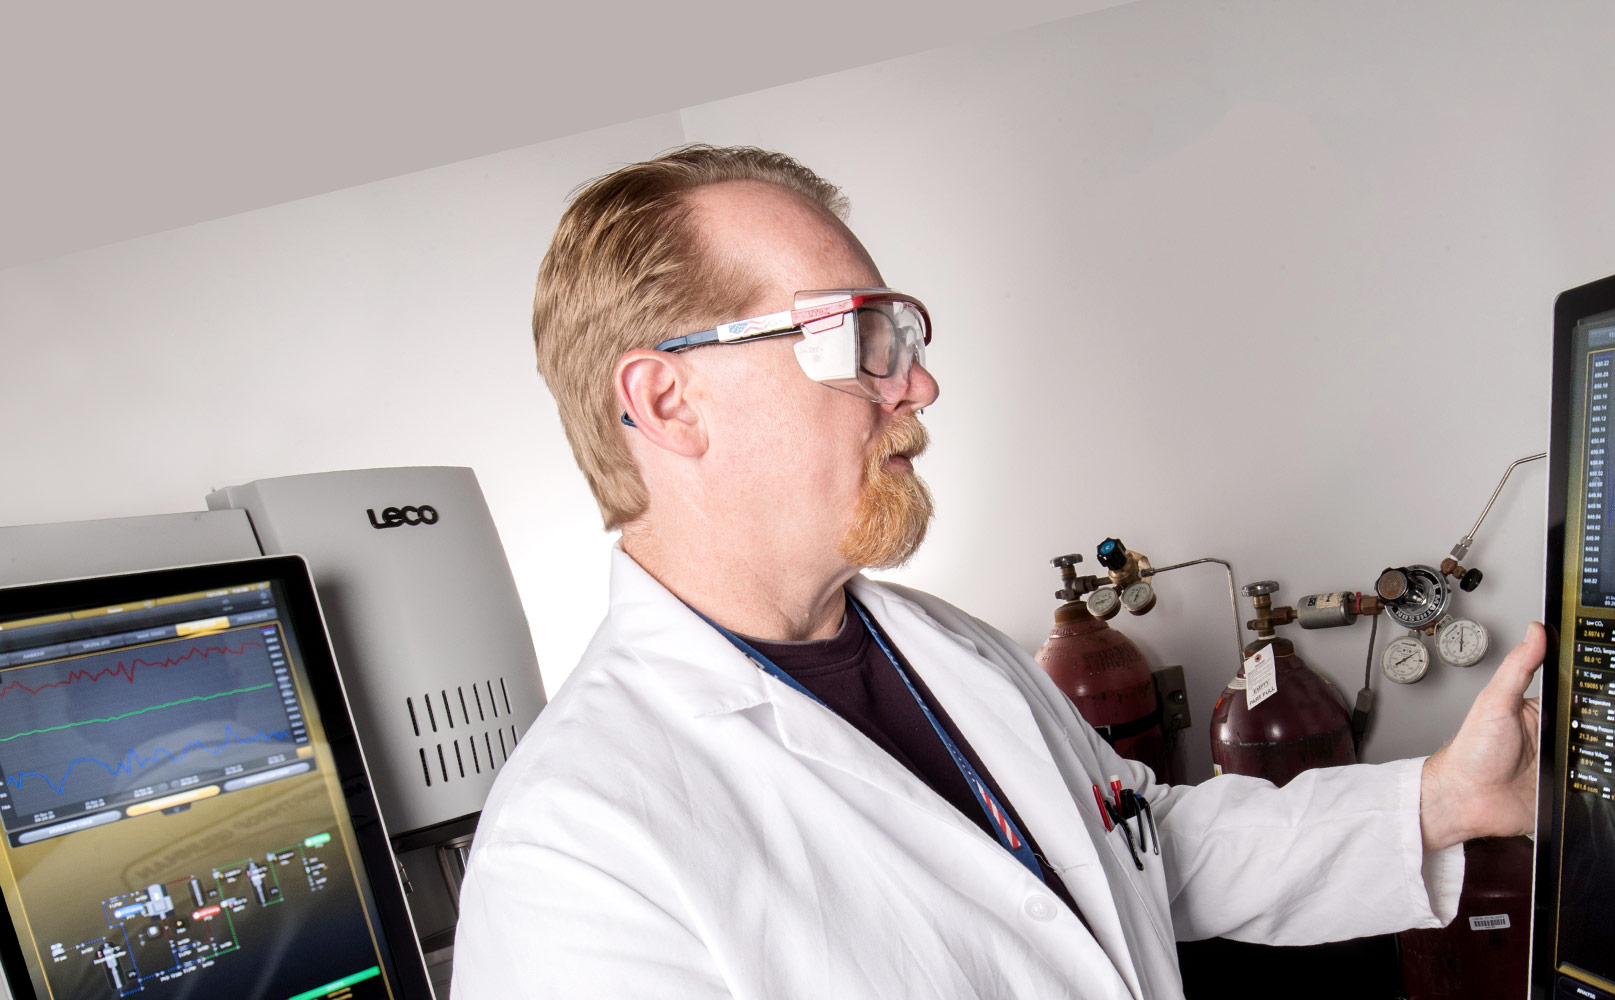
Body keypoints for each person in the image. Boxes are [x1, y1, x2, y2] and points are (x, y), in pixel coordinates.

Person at [451, 144, 1545, 999]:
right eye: (855, 338)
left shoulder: (943, 643)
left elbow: (1141, 846)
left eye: (905, 335)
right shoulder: (574, 852)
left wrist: (1443, 798)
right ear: (665, 402)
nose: (917, 386)